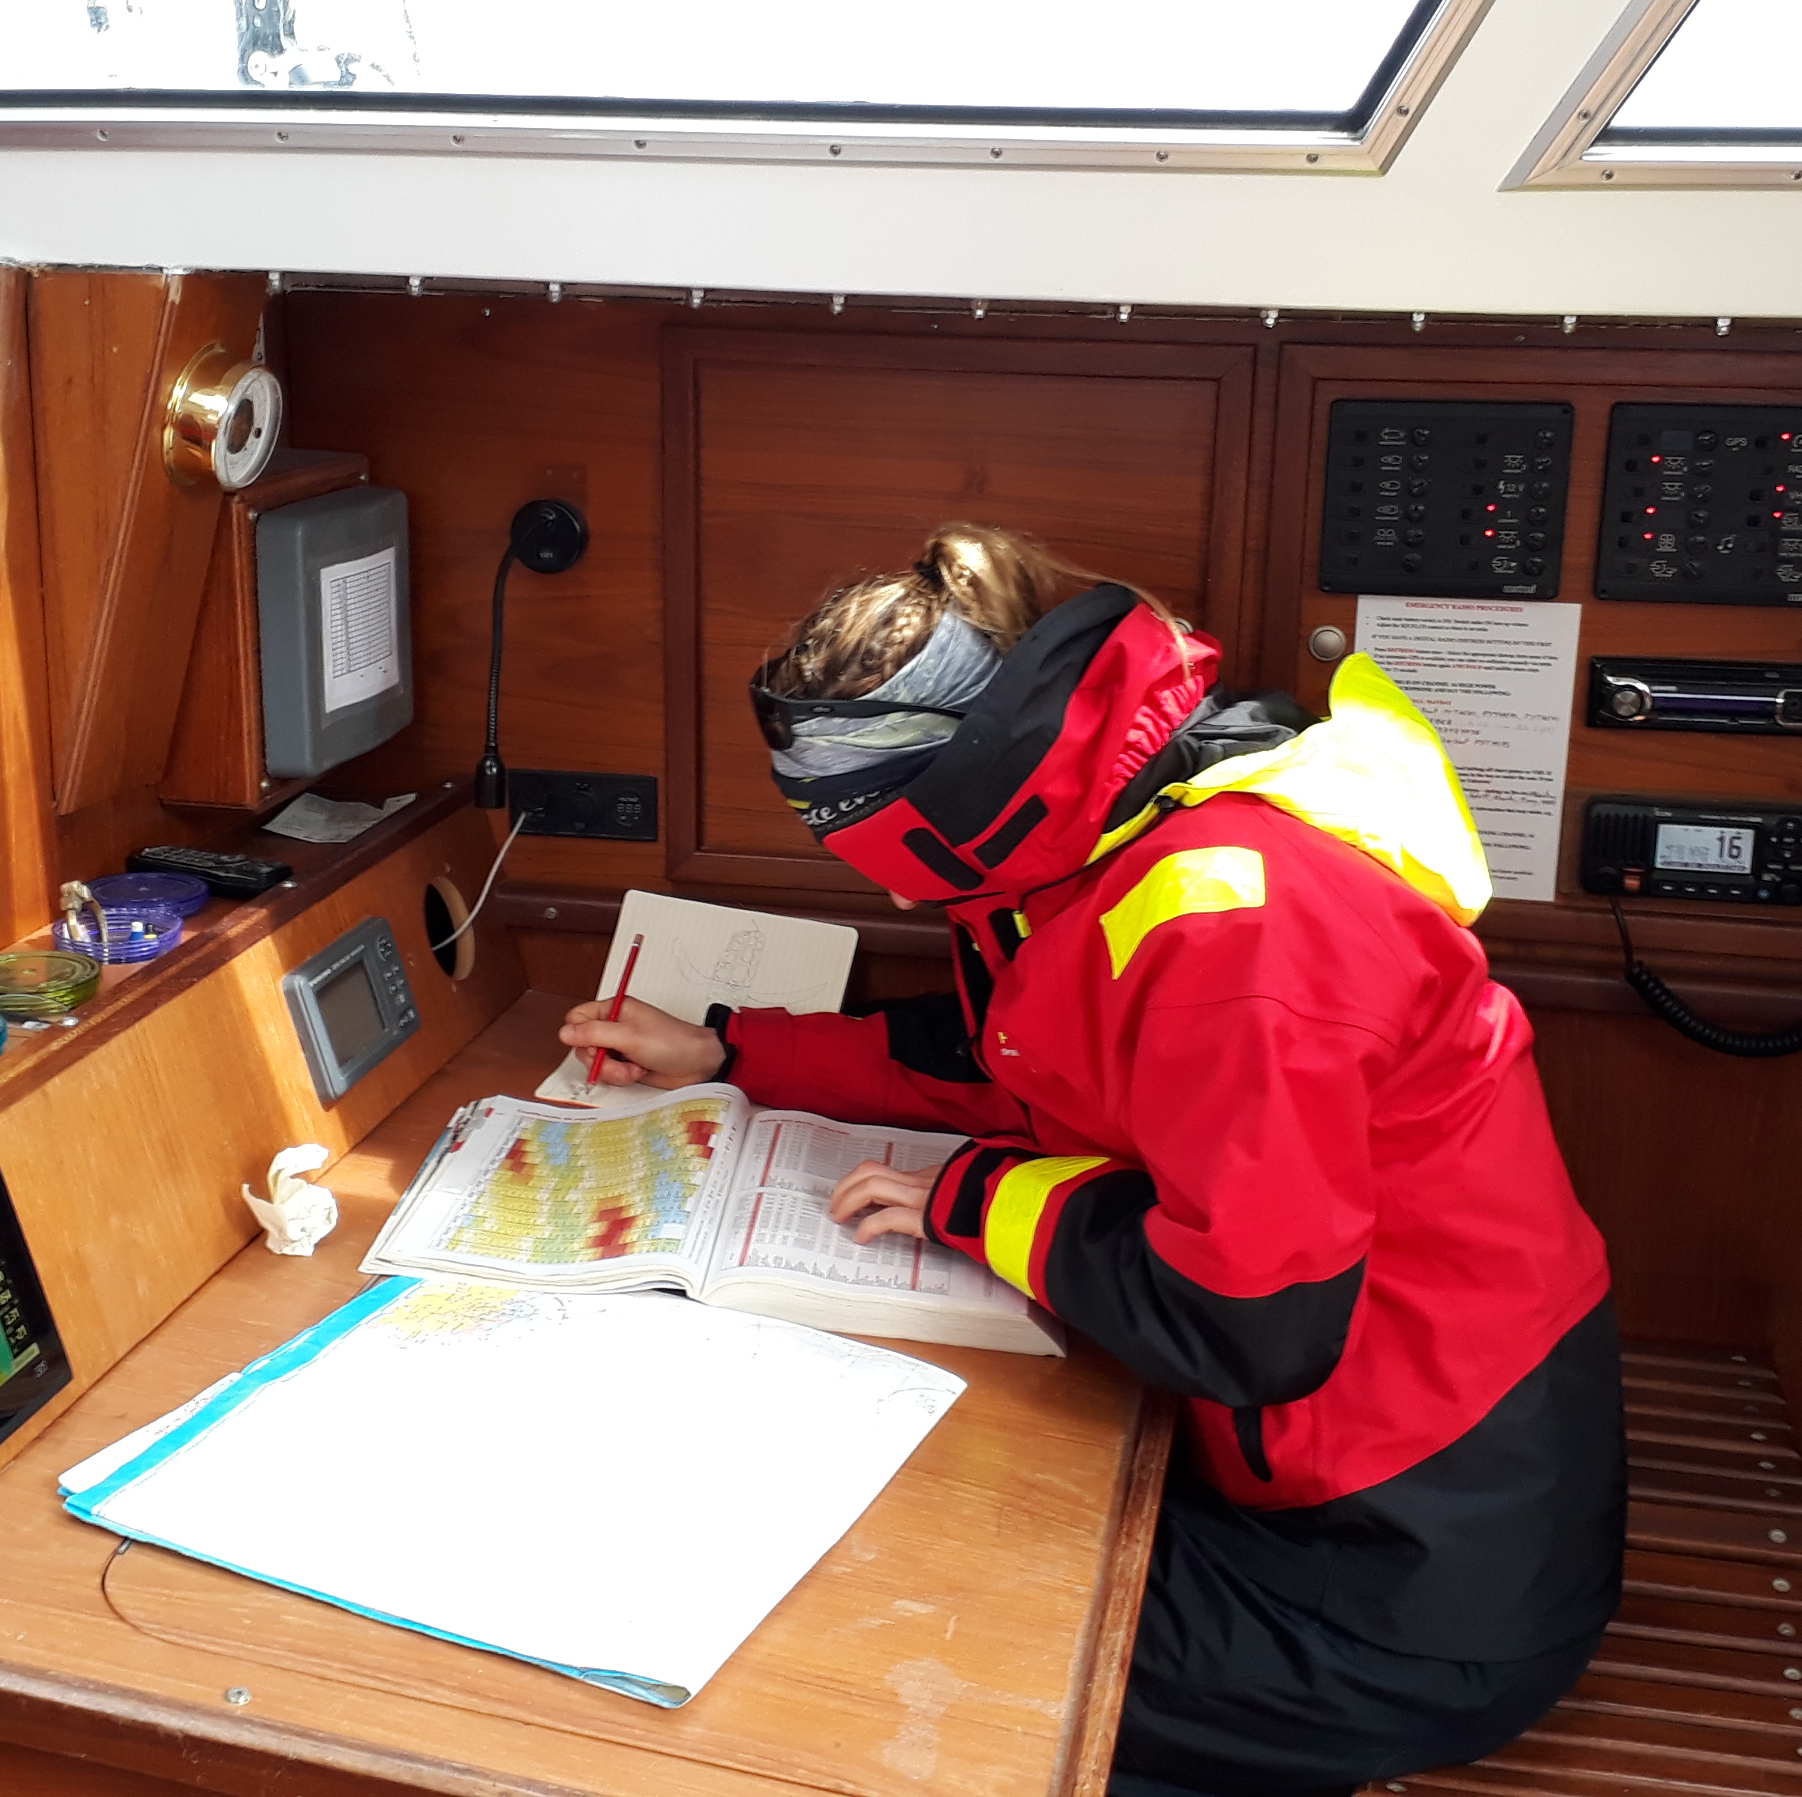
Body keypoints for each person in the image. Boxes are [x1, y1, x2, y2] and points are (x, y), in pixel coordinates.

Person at [561, 522, 1622, 1797]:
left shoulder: (1244, 934)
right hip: (1302, 1483)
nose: (897, 905)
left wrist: (977, 1198)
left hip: (1404, 1590)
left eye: (896, 863)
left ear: (977, 805)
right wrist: (733, 1053)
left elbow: (1250, 1329)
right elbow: (1020, 1051)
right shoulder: (1109, 826)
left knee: (866, 1661)